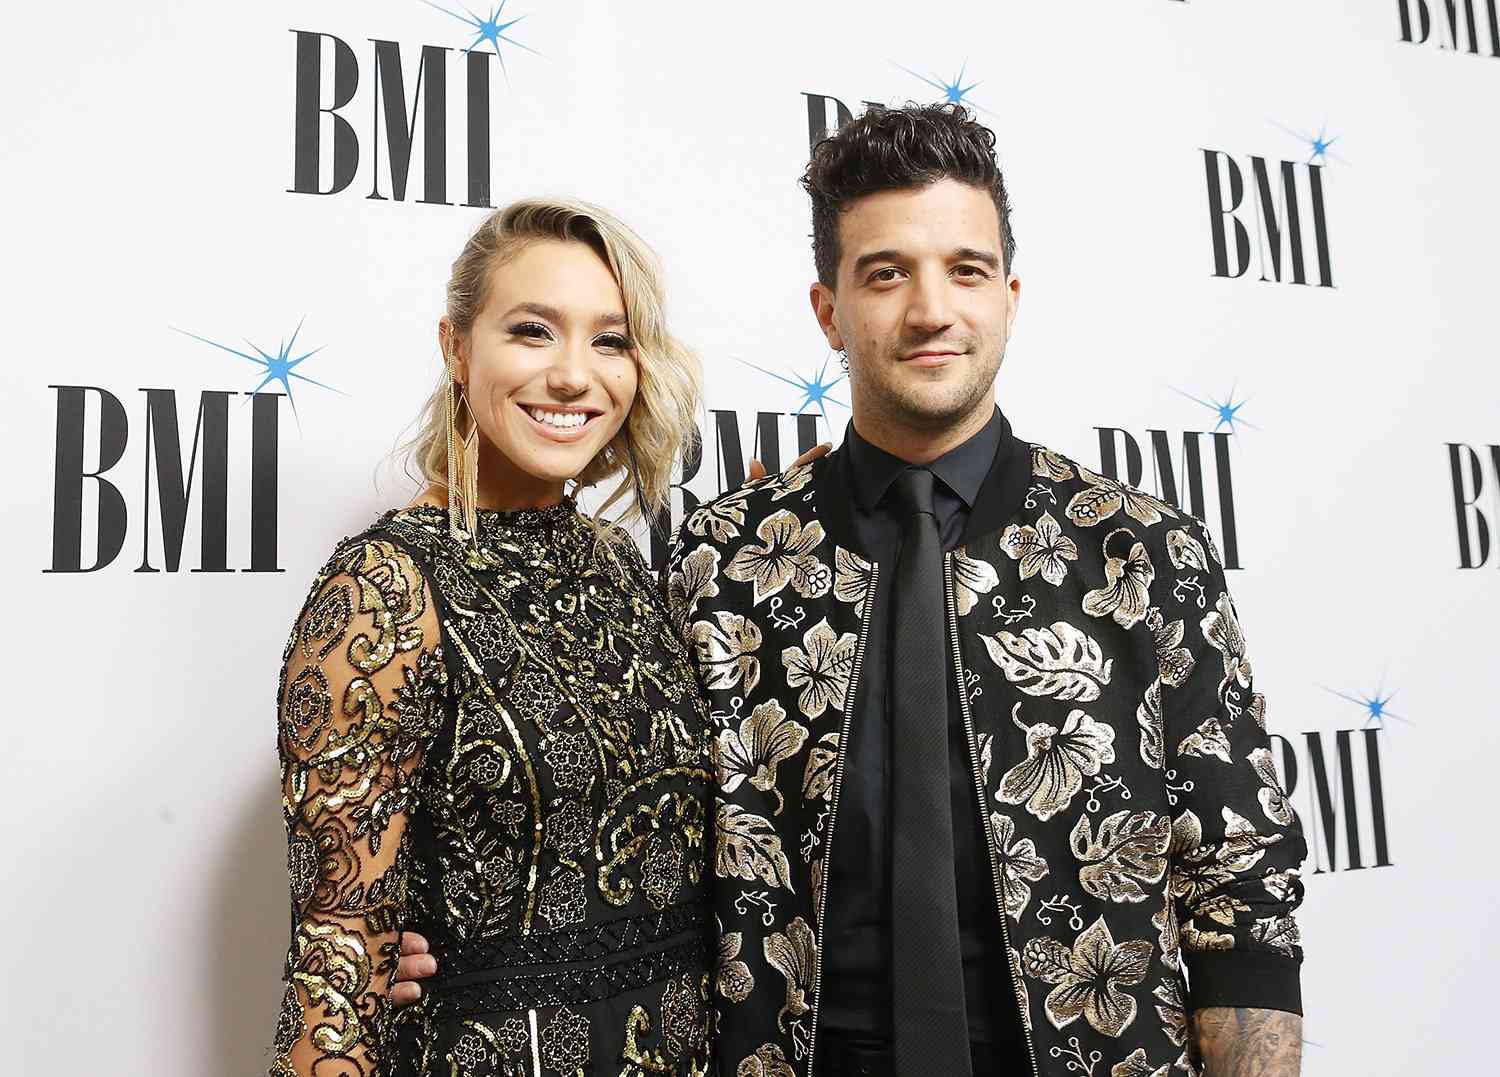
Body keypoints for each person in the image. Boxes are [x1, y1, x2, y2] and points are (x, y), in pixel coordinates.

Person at [397, 105, 1309, 1077]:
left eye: (964, 270)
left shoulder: (1142, 554)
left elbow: (1241, 898)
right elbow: (622, 823)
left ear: (1007, 293)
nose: (931, 310)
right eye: (886, 273)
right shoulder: (725, 566)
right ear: (828, 309)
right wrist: (460, 943)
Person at [271, 198, 789, 1077]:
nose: (574, 376)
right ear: (456, 347)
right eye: (533, 331)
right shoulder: (384, 589)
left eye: (610, 340)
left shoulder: (620, 562)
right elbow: (335, 969)